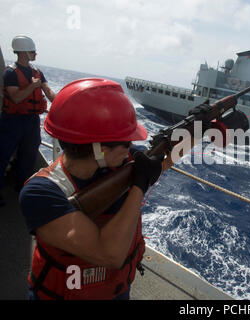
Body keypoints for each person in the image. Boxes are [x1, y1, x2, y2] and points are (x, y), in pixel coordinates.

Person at [18, 78, 171, 300]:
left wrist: (201, 126)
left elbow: (165, 158)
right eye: (126, 142)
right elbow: (109, 254)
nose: (132, 146)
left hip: (116, 289)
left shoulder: (120, 161)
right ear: (98, 148)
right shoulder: (40, 193)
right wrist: (139, 185)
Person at [0, 35, 56, 206]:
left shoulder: (37, 72)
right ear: (23, 52)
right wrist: (32, 86)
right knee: (3, 154)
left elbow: (48, 92)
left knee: (29, 154)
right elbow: (16, 98)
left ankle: (22, 188)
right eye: (33, 51)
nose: (35, 54)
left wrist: (64, 102)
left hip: (31, 121)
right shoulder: (10, 73)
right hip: (12, 120)